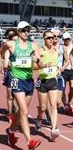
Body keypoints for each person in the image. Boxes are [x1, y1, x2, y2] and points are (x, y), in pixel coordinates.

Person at [0, 21, 42, 149]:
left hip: (29, 81)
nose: (26, 32)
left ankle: (11, 131)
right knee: (24, 111)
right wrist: (4, 62)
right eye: (23, 30)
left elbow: (39, 65)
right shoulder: (11, 44)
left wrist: (37, 60)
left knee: (20, 112)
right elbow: (1, 51)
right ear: (18, 31)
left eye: (28, 30)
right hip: (16, 79)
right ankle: (30, 141)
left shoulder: (33, 45)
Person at [35, 30, 60, 141]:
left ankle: (54, 129)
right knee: (43, 107)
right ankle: (39, 118)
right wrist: (43, 65)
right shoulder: (40, 50)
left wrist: (58, 69)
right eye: (49, 38)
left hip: (53, 80)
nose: (51, 39)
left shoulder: (55, 50)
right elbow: (35, 65)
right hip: (43, 81)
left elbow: (56, 65)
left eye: (53, 37)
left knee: (54, 105)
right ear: (44, 39)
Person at [2, 28, 18, 123]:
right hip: (10, 73)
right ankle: (10, 114)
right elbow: (5, 64)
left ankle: (15, 111)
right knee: (10, 95)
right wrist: (5, 65)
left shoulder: (22, 48)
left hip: (19, 74)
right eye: (13, 40)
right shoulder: (7, 48)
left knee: (16, 95)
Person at [61, 32, 73, 114]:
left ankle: (69, 102)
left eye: (68, 39)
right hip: (64, 70)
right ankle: (65, 105)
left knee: (72, 88)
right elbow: (65, 58)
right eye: (66, 39)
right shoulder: (62, 47)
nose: (67, 41)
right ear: (63, 40)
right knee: (62, 89)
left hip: (72, 70)